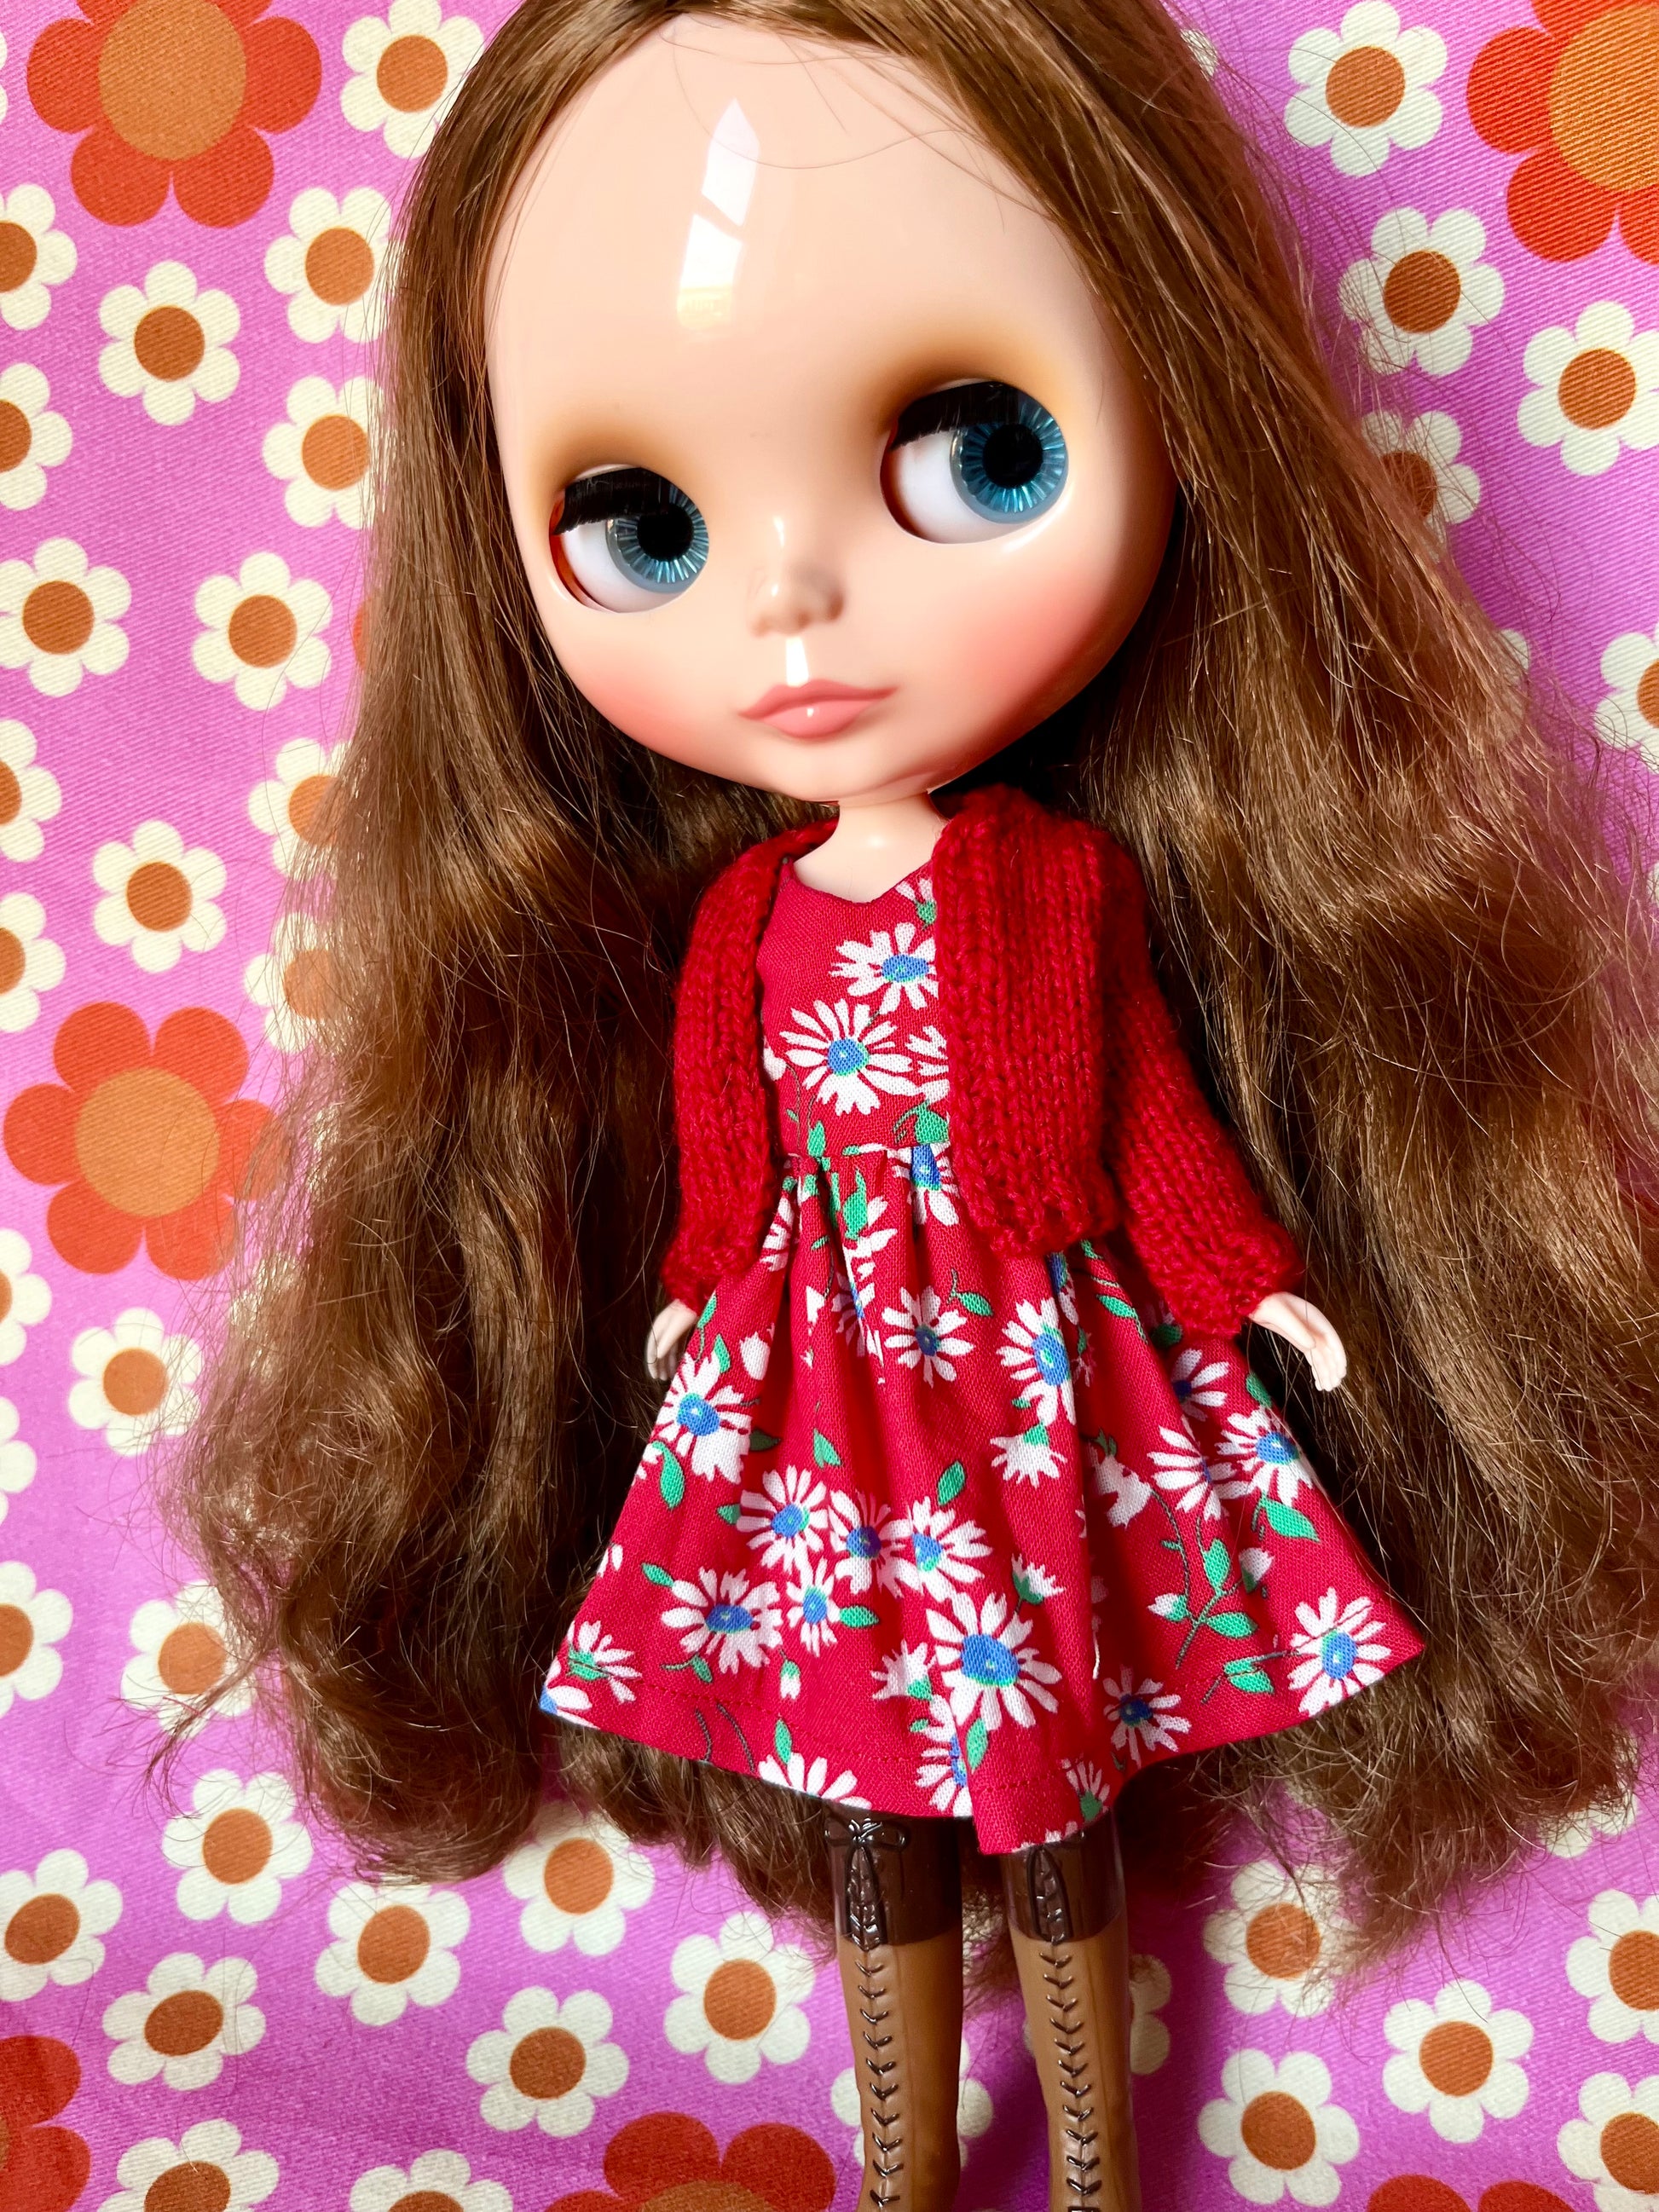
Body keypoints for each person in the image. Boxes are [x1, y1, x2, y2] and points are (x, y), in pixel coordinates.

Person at [171, 6, 1659, 2208]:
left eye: (976, 450)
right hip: (817, 1380)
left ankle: (1088, 2161)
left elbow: (1145, 1117)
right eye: (642, 522)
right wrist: (695, 1292)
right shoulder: (745, 920)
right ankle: (896, 2161)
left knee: (1049, 1782)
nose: (790, 596)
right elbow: (733, 1148)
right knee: (865, 1775)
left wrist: (1245, 1282)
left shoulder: (1058, 883)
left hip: (1032, 1370)